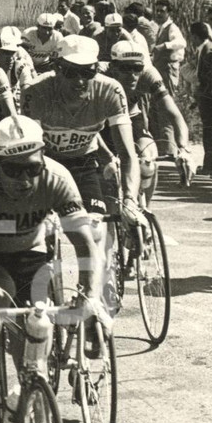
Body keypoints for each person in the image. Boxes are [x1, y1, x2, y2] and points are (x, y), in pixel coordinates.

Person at [0, 116, 102, 423]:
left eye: (33, 168)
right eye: (13, 170)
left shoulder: (56, 178)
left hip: (31, 252)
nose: (25, 180)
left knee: (32, 345)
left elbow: (86, 246)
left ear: (43, 157)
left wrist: (92, 301)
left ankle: (23, 403)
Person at [21, 35, 141, 313]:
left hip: (84, 163)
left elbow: (128, 153)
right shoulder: (37, 91)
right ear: (57, 68)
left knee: (94, 229)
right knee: (40, 231)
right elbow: (28, 152)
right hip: (46, 164)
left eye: (87, 72)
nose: (79, 80)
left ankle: (90, 297)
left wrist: (131, 201)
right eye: (71, 72)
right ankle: (43, 292)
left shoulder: (110, 90)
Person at [105, 40, 192, 207]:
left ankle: (145, 209)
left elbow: (174, 115)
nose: (132, 75)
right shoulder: (101, 74)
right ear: (113, 67)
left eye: (137, 68)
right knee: (108, 171)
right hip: (103, 122)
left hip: (131, 117)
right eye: (125, 68)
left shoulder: (149, 74)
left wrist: (184, 149)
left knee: (148, 162)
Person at [149, 0, 187, 157]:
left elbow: (181, 42)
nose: (158, 14)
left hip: (168, 70)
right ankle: (163, 147)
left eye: (162, 11)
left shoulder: (172, 28)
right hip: (160, 69)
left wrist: (164, 46)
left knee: (166, 107)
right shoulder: (160, 28)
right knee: (158, 107)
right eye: (157, 10)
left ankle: (169, 149)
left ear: (169, 13)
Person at [188, 21, 212, 178]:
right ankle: (211, 163)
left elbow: (208, 77)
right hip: (206, 95)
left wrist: (203, 93)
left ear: (195, 36)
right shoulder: (204, 49)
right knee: (210, 129)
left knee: (211, 129)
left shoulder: (208, 50)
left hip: (208, 96)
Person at [0, 26, 37, 112]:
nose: (10, 57)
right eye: (6, 52)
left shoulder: (22, 59)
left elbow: (28, 88)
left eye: (13, 52)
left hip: (12, 95)